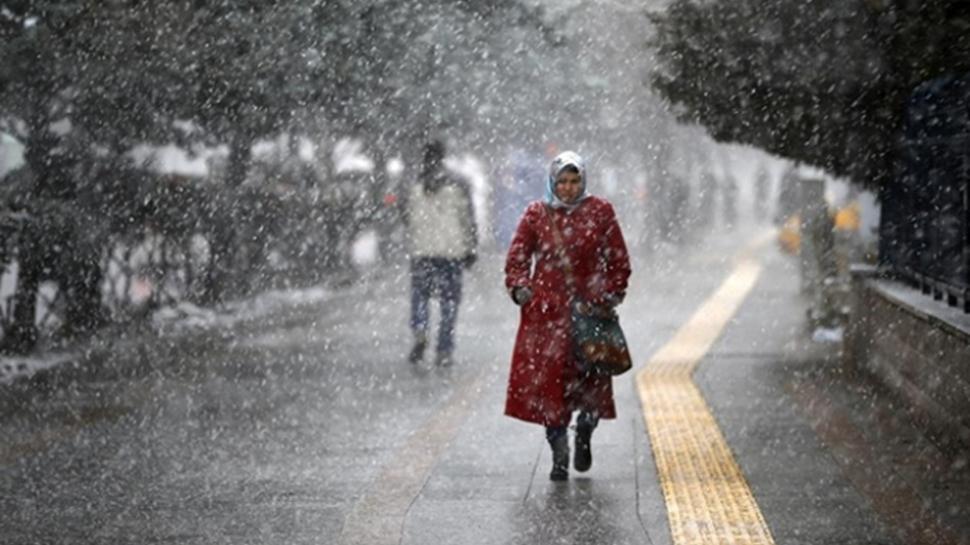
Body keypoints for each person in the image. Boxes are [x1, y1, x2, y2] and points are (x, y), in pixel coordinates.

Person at [503, 151, 632, 481]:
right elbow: (517, 258)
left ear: (584, 181)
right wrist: (521, 288)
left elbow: (618, 258)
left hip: (590, 312)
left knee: (591, 382)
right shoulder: (537, 215)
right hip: (545, 316)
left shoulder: (600, 212)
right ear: (551, 181)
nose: (569, 188)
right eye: (562, 181)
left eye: (575, 181)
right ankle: (558, 448)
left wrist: (613, 292)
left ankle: (585, 430)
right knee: (550, 387)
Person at [405, 140, 478, 367]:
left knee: (420, 294)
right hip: (452, 250)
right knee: (450, 300)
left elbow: (406, 217)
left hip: (422, 249)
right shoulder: (458, 184)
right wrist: (470, 247)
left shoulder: (414, 184)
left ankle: (420, 328)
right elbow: (467, 219)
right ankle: (444, 347)